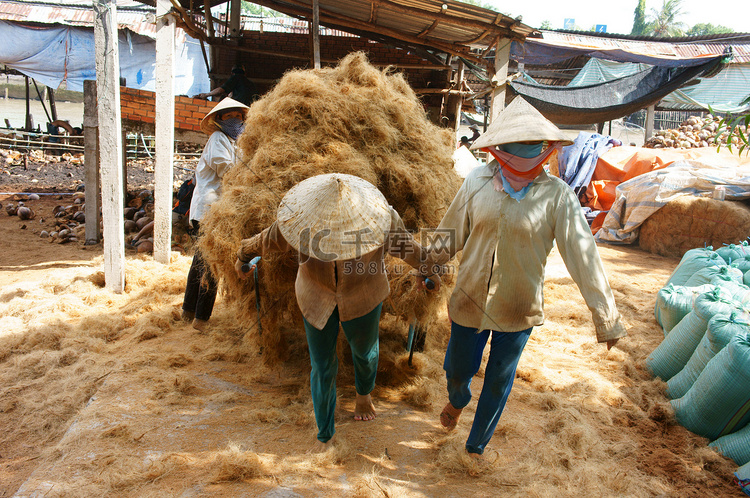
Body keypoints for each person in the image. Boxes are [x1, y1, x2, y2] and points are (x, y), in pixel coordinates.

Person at [429, 96, 627, 458]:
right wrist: (428, 266)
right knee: (458, 371)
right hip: (469, 299)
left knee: (499, 382)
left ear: (545, 152)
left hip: (517, 307)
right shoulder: (477, 180)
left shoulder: (558, 197)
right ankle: (457, 400)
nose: (528, 162)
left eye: (535, 153)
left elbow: (584, 258)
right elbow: (449, 232)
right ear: (500, 151)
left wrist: (607, 318)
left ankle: (475, 448)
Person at [234, 173, 439, 451]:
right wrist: (243, 257)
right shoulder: (298, 219)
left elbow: (409, 249)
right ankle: (325, 431)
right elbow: (262, 241)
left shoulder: (382, 218)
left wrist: (431, 268)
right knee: (322, 364)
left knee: (365, 353)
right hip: (316, 294)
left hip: (363, 293)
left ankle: (363, 394)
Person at [182, 97, 250, 331]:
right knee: (211, 264)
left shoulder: (235, 143)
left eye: (240, 116)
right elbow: (227, 170)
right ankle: (200, 319)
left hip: (218, 211)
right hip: (209, 211)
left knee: (200, 263)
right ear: (219, 119)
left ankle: (188, 312)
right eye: (231, 116)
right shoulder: (218, 139)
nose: (237, 120)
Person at [194, 64, 258, 107]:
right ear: (245, 74)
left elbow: (220, 90)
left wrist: (206, 94)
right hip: (250, 110)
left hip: (239, 107)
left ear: (232, 73)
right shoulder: (251, 84)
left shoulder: (236, 77)